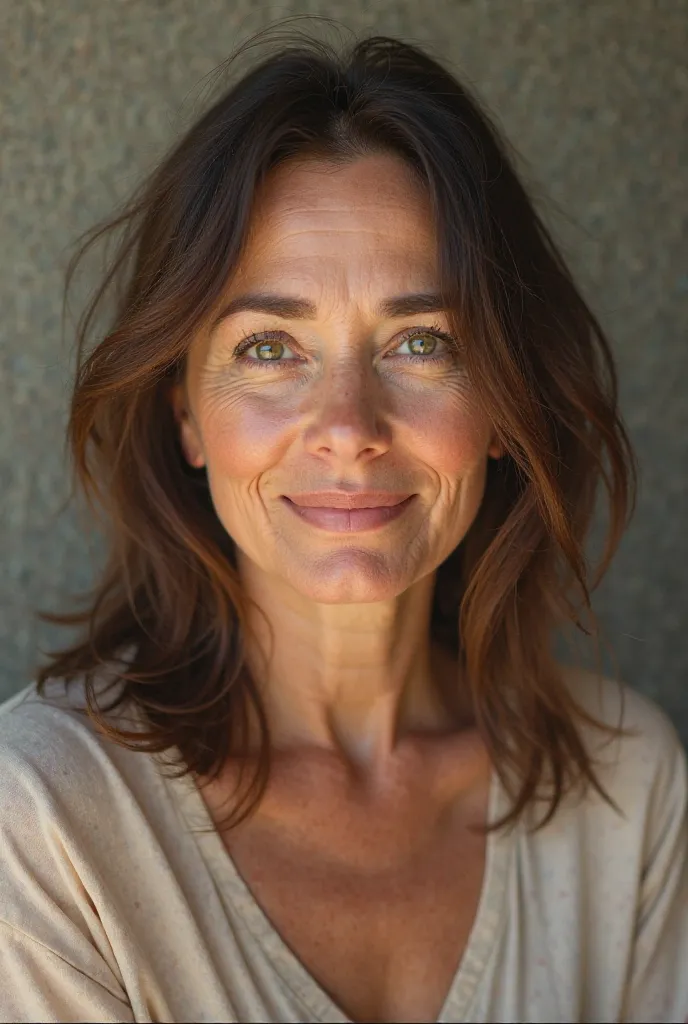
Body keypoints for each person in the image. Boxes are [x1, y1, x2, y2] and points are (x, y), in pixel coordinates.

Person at [0, 23, 686, 1024]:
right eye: (272, 347)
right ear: (187, 411)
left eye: (418, 340)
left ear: (502, 403)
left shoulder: (628, 788)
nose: (348, 429)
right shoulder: (49, 818)